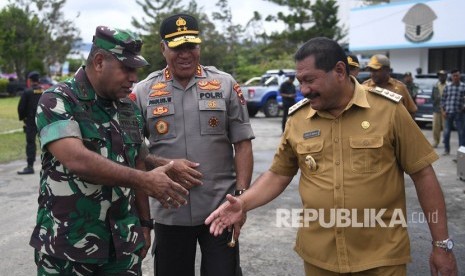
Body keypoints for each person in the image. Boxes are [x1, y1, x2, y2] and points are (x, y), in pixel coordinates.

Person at [205, 37, 458, 276]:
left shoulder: (389, 111)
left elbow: (423, 174)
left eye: (310, 80)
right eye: (299, 81)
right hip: (319, 259)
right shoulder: (297, 119)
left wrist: (441, 244)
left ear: (339, 71)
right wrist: (244, 202)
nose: (304, 90)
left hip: (381, 259)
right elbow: (278, 174)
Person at [29, 26, 189, 275]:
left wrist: (145, 223)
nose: (134, 77)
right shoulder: (58, 100)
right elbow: (77, 159)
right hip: (67, 248)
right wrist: (145, 180)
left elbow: (138, 160)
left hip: (122, 247)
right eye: (127, 68)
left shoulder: (128, 108)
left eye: (136, 70)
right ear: (100, 61)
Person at [131, 13, 254, 276]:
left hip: (220, 209)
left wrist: (242, 199)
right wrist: (161, 163)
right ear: (163, 48)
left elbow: (242, 143)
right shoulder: (143, 91)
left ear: (200, 46)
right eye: (177, 47)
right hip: (169, 211)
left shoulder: (225, 85)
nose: (185, 54)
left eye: (191, 46)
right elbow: (132, 147)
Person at [17, 71, 43, 174]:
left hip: (31, 121)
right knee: (48, 143)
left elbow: (21, 108)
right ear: (38, 80)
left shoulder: (27, 92)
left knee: (31, 144)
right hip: (43, 120)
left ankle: (30, 166)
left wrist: (22, 118)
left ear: (30, 80)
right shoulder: (44, 91)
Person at [441, 68, 465, 155]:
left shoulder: (463, 86)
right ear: (451, 77)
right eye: (454, 76)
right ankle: (446, 150)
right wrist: (443, 111)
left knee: (461, 133)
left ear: (459, 76)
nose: (456, 77)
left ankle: (461, 152)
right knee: (446, 132)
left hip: (460, 113)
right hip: (448, 113)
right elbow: (443, 99)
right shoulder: (448, 86)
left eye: (457, 75)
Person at [432, 70, 448, 148]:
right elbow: (432, 97)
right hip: (436, 109)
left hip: (445, 110)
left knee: (445, 127)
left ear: (446, 76)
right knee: (435, 127)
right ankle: (436, 141)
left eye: (443, 75)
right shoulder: (435, 86)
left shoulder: (448, 85)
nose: (441, 77)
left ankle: (446, 142)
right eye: (440, 76)